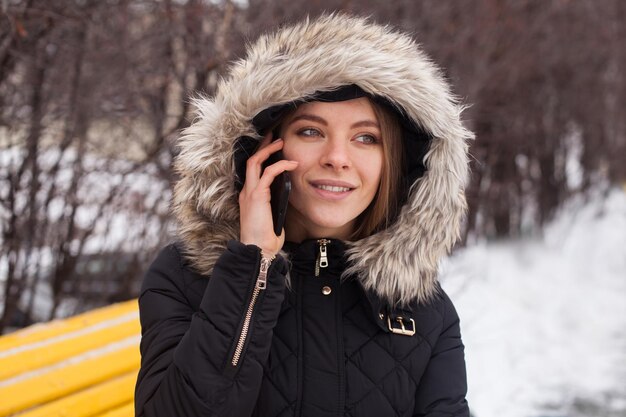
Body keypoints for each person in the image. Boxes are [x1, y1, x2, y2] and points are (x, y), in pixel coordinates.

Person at [135, 14, 473, 417]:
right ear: (264, 149)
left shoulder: (423, 311)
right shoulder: (185, 276)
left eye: (366, 138)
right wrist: (252, 268)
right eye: (311, 131)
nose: (337, 159)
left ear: (394, 163)